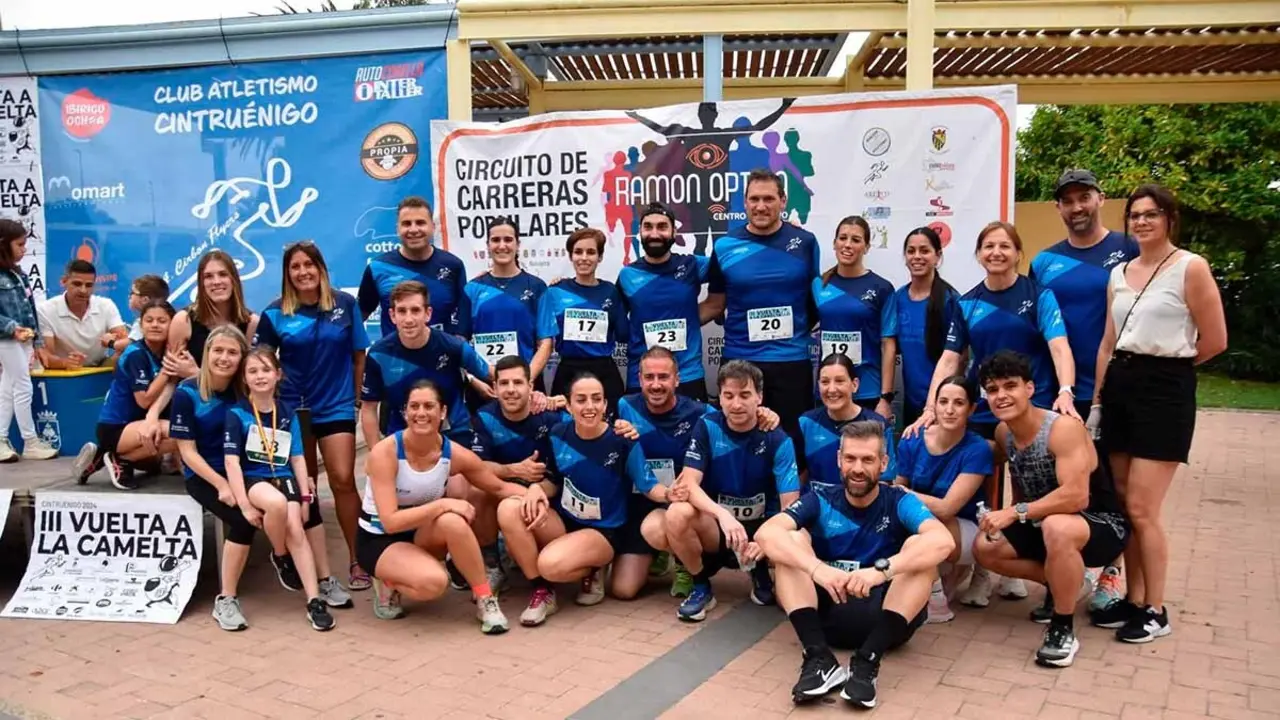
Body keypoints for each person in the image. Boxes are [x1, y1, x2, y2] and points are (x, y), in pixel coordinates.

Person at [910, 221, 1079, 605]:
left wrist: (1066, 391)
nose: (996, 253)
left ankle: (1028, 569)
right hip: (986, 410)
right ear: (979, 254)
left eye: (1005, 246)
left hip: (1033, 408)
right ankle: (985, 570)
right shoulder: (965, 302)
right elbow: (951, 358)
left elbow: (1059, 347)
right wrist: (929, 408)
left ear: (1019, 253)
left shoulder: (1039, 295)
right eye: (988, 246)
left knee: (1030, 487)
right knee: (984, 484)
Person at [1090, 184, 1226, 642]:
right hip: (1120, 386)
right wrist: (1098, 399)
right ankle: (1133, 597)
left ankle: (1156, 608)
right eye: (1135, 215)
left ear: (1170, 218)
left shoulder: (1191, 267)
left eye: (1152, 214)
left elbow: (1215, 340)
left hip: (1165, 390)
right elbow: (1108, 342)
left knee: (1145, 509)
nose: (1142, 222)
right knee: (1126, 505)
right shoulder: (1119, 273)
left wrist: (1168, 369)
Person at [755, 421, 953, 708]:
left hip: (886, 620)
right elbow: (766, 534)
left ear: (884, 463)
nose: (857, 468)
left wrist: (880, 571)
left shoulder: (898, 500)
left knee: (921, 551)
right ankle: (819, 658)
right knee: (792, 542)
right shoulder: (820, 497)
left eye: (868, 460)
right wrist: (817, 569)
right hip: (827, 616)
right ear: (839, 460)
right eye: (850, 459)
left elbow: (943, 542)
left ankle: (867, 662)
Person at [172, 325, 347, 630]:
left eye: (232, 352)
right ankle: (226, 599)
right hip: (209, 475)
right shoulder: (187, 392)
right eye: (218, 350)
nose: (224, 358)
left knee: (310, 507)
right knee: (242, 519)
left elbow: (283, 439)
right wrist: (222, 485)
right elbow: (187, 453)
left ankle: (321, 583)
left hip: (257, 469)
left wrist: (300, 479)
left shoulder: (246, 391)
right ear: (207, 352)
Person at [972, 351, 1129, 667]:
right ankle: (1065, 584)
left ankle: (1062, 627)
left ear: (1029, 388)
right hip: (1044, 522)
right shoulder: (1005, 433)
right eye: (992, 389)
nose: (1001, 395)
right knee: (984, 548)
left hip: (1100, 524)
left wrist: (1014, 512)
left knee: (1058, 525)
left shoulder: (1063, 429)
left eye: (1010, 386)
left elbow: (1077, 497)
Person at [1030, 169, 1140, 619]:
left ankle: (1112, 574)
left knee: (1113, 487)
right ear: (1058, 208)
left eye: (1084, 198)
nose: (1076, 208)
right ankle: (1061, 579)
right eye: (1067, 201)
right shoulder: (1042, 263)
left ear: (1100, 199)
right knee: (1059, 486)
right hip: (1059, 394)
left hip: (1115, 389)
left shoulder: (1128, 249)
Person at [358, 380, 533, 631]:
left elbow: (498, 487)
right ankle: (387, 579)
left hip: (420, 534)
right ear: (405, 412)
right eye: (414, 406)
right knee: (434, 584)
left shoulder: (453, 453)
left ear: (442, 412)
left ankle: (485, 599)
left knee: (453, 521)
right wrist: (443, 505)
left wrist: (533, 494)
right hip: (380, 538)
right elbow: (390, 521)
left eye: (429, 406)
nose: (421, 413)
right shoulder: (385, 453)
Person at [495, 373, 663, 626]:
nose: (589, 407)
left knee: (550, 563)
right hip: (565, 523)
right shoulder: (558, 433)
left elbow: (649, 486)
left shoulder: (622, 440)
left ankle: (593, 566)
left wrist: (673, 494)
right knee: (509, 508)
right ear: (570, 406)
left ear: (605, 405)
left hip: (603, 532)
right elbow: (553, 480)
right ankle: (542, 591)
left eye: (596, 399)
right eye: (581, 400)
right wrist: (536, 489)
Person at [614, 347, 783, 600]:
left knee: (669, 521)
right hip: (643, 500)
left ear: (677, 379)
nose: (656, 384)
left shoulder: (701, 413)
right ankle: (663, 554)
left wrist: (764, 413)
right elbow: (595, 427)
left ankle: (685, 566)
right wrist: (616, 427)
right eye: (649, 377)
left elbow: (734, 412)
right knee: (622, 590)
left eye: (664, 377)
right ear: (639, 379)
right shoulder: (625, 406)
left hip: (683, 502)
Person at [254, 242, 371, 592]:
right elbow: (260, 363)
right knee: (304, 487)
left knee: (342, 479)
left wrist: (356, 399)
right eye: (295, 266)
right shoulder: (275, 313)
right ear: (287, 273)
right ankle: (313, 564)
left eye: (309, 264)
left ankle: (357, 559)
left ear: (321, 267)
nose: (303, 271)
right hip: (292, 411)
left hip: (335, 406)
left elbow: (359, 356)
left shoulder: (346, 306)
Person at [664, 360, 802, 621]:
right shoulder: (707, 426)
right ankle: (701, 587)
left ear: (759, 397)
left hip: (760, 530)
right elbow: (689, 484)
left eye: (745, 395)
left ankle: (759, 569)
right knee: (676, 513)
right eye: (729, 395)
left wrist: (766, 543)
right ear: (721, 398)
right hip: (720, 529)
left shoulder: (778, 439)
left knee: (793, 540)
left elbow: (790, 507)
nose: (736, 404)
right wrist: (723, 516)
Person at [700, 169, 821, 445]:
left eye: (768, 199)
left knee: (793, 442)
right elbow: (715, 304)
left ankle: (793, 491)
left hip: (791, 361)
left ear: (783, 201)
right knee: (737, 442)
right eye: (754, 199)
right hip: (740, 359)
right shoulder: (725, 246)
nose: (761, 206)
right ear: (744, 202)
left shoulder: (805, 242)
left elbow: (815, 302)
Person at [223, 348, 339, 632]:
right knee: (275, 504)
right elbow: (231, 462)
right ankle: (280, 555)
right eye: (252, 371)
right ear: (244, 379)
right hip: (254, 480)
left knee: (297, 528)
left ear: (278, 375)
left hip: (283, 475)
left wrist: (304, 495)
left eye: (265, 370)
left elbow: (298, 456)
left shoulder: (286, 412)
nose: (260, 376)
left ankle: (314, 600)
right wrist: (244, 504)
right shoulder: (237, 413)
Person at [893, 376, 992, 624]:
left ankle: (937, 599)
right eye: (943, 401)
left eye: (958, 403)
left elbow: (948, 507)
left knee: (919, 526)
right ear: (933, 406)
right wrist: (898, 494)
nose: (949, 410)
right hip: (925, 524)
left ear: (971, 409)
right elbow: (898, 484)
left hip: (967, 531)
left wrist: (904, 496)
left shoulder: (977, 448)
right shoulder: (913, 438)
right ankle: (938, 581)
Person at [470, 355, 571, 591]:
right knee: (475, 490)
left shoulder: (550, 415)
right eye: (504, 383)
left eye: (518, 382)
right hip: (508, 497)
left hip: (548, 504)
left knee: (554, 558)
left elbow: (586, 434)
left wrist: (566, 403)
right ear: (494, 388)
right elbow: (476, 467)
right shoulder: (485, 417)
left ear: (531, 386)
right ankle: (493, 565)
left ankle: (549, 567)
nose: (511, 390)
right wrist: (514, 470)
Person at [360, 281, 491, 452]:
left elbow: (493, 374)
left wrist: (530, 390)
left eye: (415, 310)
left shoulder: (453, 347)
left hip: (454, 435)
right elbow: (368, 409)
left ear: (428, 313)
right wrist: (376, 453)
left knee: (459, 478)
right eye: (402, 311)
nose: (408, 319)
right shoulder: (378, 354)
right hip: (403, 436)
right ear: (392, 315)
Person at [617, 202, 714, 402]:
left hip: (687, 375)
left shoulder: (692, 265)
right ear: (639, 232)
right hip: (642, 377)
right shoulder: (627, 275)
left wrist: (693, 320)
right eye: (648, 227)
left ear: (674, 231)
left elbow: (735, 271)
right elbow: (611, 316)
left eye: (662, 227)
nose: (654, 234)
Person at [92, 300, 181, 490]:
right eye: (149, 320)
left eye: (161, 321)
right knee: (180, 433)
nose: (155, 325)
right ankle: (118, 457)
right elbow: (144, 400)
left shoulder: (166, 351)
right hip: (116, 429)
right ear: (141, 325)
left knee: (154, 465)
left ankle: (112, 458)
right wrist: (167, 370)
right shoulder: (136, 354)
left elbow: (171, 387)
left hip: (142, 425)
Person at [811, 216, 895, 416]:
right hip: (829, 390)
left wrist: (885, 397)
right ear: (834, 243)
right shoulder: (818, 285)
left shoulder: (882, 288)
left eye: (856, 240)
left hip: (868, 391)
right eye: (843, 238)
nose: (848, 245)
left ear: (866, 247)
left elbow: (888, 345)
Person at [540, 228, 628, 416]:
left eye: (591, 252)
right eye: (578, 252)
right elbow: (543, 336)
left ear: (600, 257)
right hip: (568, 371)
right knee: (563, 429)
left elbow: (623, 333)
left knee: (612, 428)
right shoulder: (555, 291)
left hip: (604, 370)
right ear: (571, 256)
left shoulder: (611, 292)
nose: (584, 258)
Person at [359, 196, 468, 339]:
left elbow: (464, 320)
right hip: (394, 359)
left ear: (433, 227)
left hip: (443, 358)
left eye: (420, 223)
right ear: (397, 229)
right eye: (406, 224)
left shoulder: (453, 266)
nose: (413, 229)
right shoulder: (377, 268)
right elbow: (359, 316)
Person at [882, 227, 959, 429]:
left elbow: (961, 356)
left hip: (946, 405)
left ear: (937, 256)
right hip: (911, 402)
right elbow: (888, 346)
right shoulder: (898, 298)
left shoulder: (950, 299)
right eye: (911, 251)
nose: (917, 257)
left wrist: (944, 401)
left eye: (924, 251)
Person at [463, 218, 552, 390]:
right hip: (485, 386)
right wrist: (477, 378)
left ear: (518, 244)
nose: (502, 245)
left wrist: (524, 380)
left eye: (508, 240)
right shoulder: (472, 289)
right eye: (495, 240)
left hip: (528, 385)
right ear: (487, 245)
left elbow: (546, 343)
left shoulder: (537, 287)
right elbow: (461, 342)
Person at [797, 354, 897, 491]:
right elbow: (797, 480)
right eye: (825, 382)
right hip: (816, 507)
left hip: (863, 507)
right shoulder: (806, 423)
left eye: (839, 381)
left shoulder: (879, 426)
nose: (831, 389)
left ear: (854, 385)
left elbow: (885, 483)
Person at [0, 218, 55, 461]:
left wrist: (38, 341)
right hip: (6, 339)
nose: (24, 250)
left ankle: (2, 439)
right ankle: (30, 441)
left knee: (8, 389)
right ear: (3, 244)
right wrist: (13, 329)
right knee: (23, 386)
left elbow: (31, 310)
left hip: (22, 339)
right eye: (19, 244)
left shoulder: (18, 273)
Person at [168, 250, 258, 377]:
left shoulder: (251, 323)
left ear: (234, 279)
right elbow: (172, 375)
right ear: (201, 283)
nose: (216, 281)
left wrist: (197, 374)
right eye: (208, 276)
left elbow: (247, 378)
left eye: (223, 274)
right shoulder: (183, 320)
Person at [35, 259, 128, 369]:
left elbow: (125, 343)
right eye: (77, 284)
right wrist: (65, 363)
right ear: (63, 282)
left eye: (89, 285)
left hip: (100, 369)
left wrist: (113, 343)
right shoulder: (45, 310)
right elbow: (46, 356)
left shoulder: (106, 305)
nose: (83, 290)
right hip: (64, 373)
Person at [114, 274, 170, 355]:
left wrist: (111, 343)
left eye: (132, 293)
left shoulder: (142, 322)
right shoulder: (169, 316)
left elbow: (130, 345)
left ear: (145, 300)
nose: (129, 296)